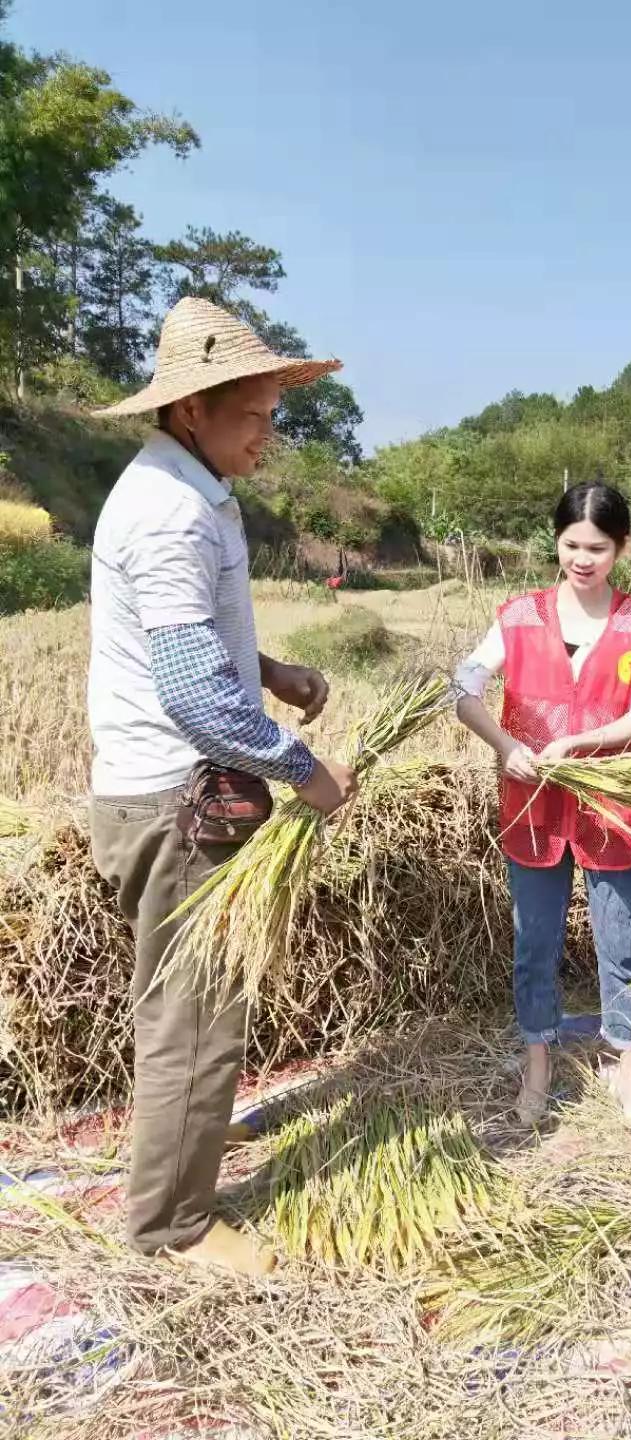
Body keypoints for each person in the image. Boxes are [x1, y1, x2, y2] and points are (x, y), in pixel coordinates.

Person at [88, 297, 358, 1277]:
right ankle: (175, 1228)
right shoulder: (168, 515)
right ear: (193, 409)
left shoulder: (188, 487)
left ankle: (191, 1144)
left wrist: (273, 670)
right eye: (254, 415)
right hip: (175, 799)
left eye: (273, 415)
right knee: (194, 1016)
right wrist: (304, 767)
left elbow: (202, 648)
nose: (268, 434)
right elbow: (195, 696)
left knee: (196, 1004)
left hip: (174, 788)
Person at [454, 482, 631, 1126]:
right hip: (533, 807)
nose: (583, 558)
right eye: (572, 544)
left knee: (621, 942)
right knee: (535, 943)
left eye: (598, 547)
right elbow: (464, 689)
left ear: (621, 548)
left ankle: (623, 1059)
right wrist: (503, 742)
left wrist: (583, 741)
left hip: (610, 805)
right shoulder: (518, 615)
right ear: (556, 542)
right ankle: (539, 1062)